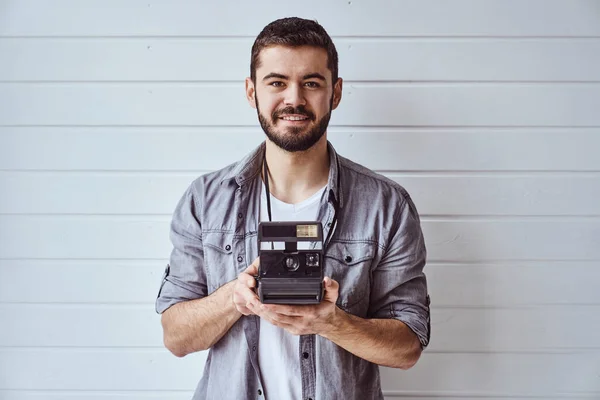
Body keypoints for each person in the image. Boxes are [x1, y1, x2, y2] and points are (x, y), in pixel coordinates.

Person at [155, 17, 430, 400]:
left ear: (335, 93)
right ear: (252, 92)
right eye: (277, 82)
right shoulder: (206, 200)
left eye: (312, 83)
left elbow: (408, 348)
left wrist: (332, 322)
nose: (294, 99)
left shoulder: (386, 206)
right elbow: (176, 337)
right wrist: (236, 297)